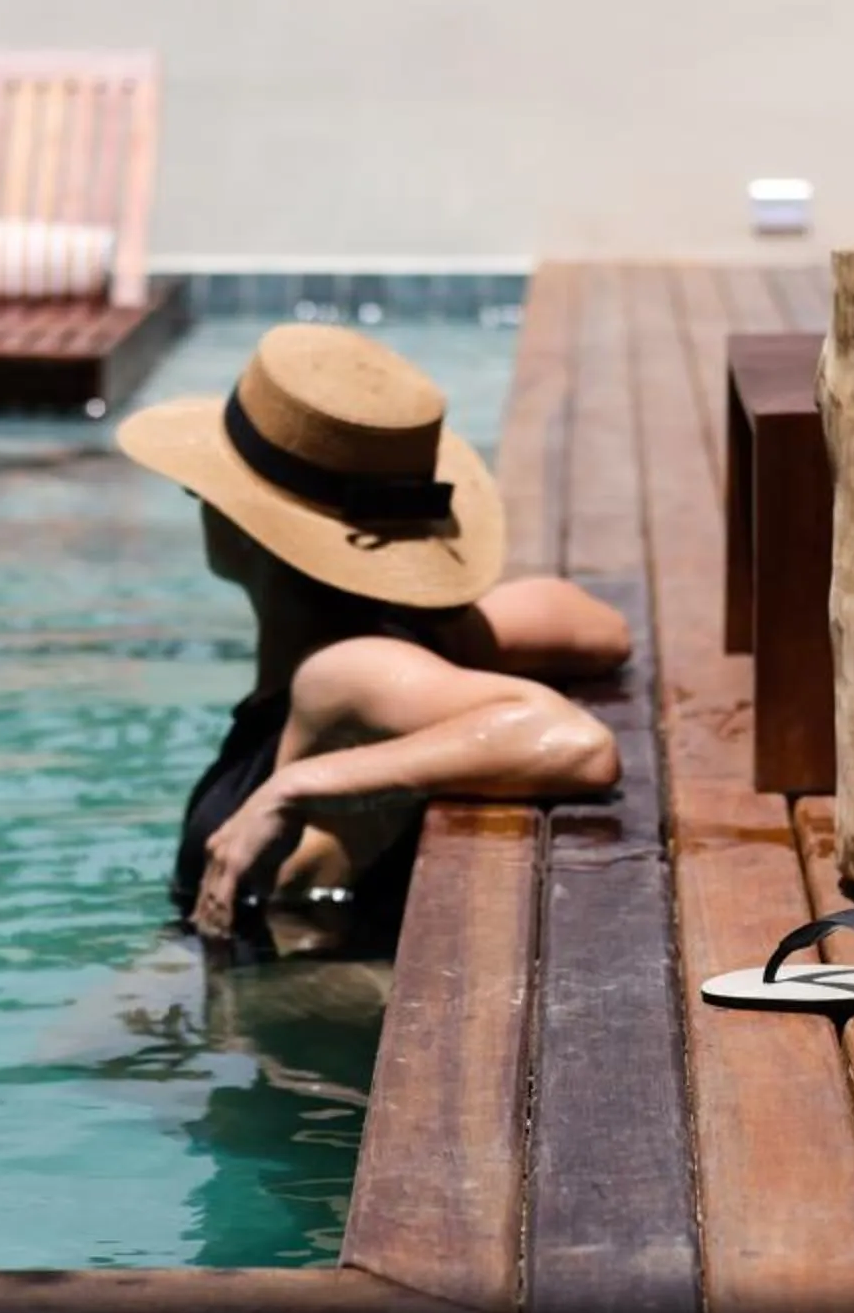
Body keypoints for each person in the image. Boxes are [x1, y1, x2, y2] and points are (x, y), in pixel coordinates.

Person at [119, 323, 631, 951]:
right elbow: (603, 630)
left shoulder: (346, 673)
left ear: (245, 524)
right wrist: (464, 628)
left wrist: (296, 785)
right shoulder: (430, 632)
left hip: (295, 987)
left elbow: (578, 744)